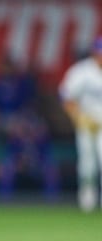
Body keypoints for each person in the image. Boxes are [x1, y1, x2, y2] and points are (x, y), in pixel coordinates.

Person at [59, 37, 102, 212]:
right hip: (86, 123)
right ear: (94, 52)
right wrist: (77, 117)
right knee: (87, 162)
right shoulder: (82, 71)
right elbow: (65, 95)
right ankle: (87, 200)